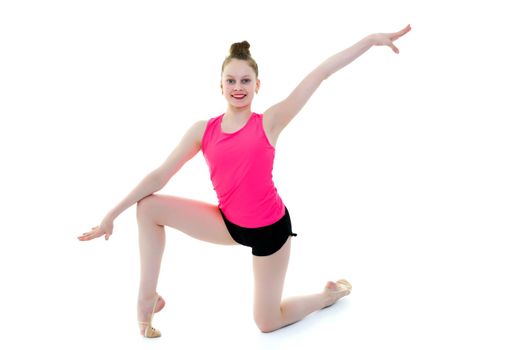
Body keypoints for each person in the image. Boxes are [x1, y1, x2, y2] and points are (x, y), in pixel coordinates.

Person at [78, 24, 411, 337]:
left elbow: (321, 73)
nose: (238, 88)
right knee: (148, 208)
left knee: (268, 322)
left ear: (257, 85)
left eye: (245, 81)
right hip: (228, 224)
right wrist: (111, 214)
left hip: (270, 231)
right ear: (220, 85)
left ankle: (326, 297)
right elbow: (159, 175)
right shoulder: (202, 131)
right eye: (231, 81)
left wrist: (369, 41)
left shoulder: (270, 122)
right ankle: (146, 299)